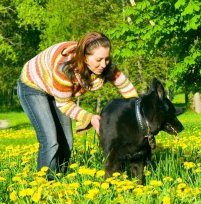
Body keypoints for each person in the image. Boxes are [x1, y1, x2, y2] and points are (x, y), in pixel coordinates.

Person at [17, 32, 138, 180]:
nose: (103, 64)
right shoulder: (64, 69)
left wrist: (138, 112)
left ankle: (60, 178)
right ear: (85, 57)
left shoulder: (106, 66)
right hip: (33, 86)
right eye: (98, 59)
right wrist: (90, 118)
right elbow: (64, 104)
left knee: (67, 140)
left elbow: (125, 86)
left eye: (106, 59)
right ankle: (44, 183)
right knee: (50, 140)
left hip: (57, 91)